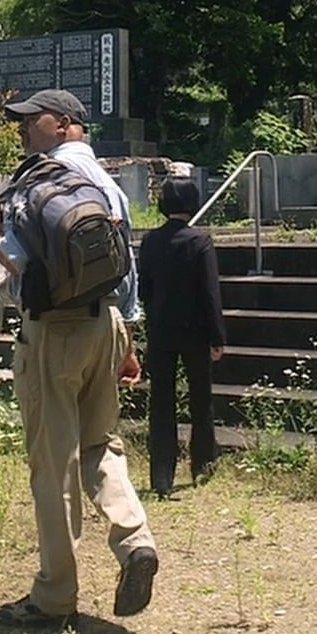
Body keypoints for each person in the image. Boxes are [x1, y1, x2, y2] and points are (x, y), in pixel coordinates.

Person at [0, 88, 156, 627]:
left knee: (54, 466)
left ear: (67, 123)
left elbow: (19, 261)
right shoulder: (107, 185)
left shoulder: (38, 181)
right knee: (101, 444)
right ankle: (134, 541)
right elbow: (124, 263)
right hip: (106, 325)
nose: (24, 129)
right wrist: (126, 338)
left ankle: (54, 596)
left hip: (53, 334)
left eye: (34, 119)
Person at [136, 176, 227, 497]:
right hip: (195, 332)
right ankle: (203, 464)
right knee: (201, 398)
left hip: (160, 330)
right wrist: (217, 336)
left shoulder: (149, 242)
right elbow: (210, 293)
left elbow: (143, 289)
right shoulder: (200, 241)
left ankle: (161, 475)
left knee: (161, 402)